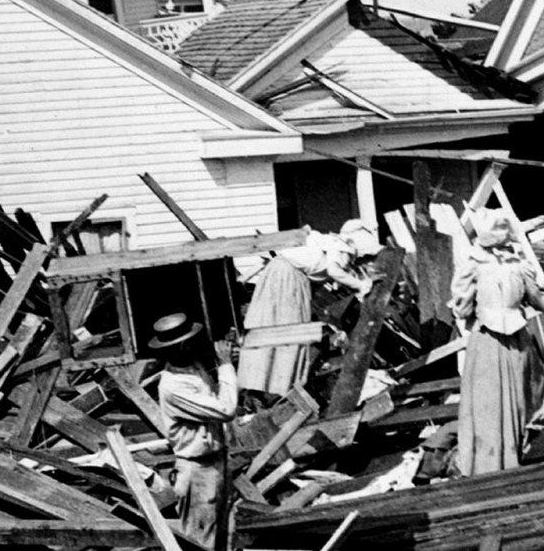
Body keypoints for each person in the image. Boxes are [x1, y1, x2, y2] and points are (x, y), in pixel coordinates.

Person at [450, 209, 544, 476]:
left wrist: (467, 316)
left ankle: (491, 460)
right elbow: (538, 300)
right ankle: (538, 441)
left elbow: (461, 305)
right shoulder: (517, 263)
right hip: (515, 339)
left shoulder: (473, 263)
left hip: (489, 341)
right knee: (529, 392)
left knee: (489, 402)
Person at [237, 219, 381, 396]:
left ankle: (260, 381)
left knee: (269, 326)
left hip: (278, 274)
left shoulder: (326, 242)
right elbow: (334, 272)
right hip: (290, 281)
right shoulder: (341, 248)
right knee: (290, 333)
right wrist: (360, 285)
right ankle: (281, 386)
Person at [151, 312, 237, 547]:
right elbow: (226, 409)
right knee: (202, 542)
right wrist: (226, 365)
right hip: (197, 470)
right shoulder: (172, 386)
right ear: (179, 347)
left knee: (225, 536)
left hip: (216, 462)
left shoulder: (192, 368)